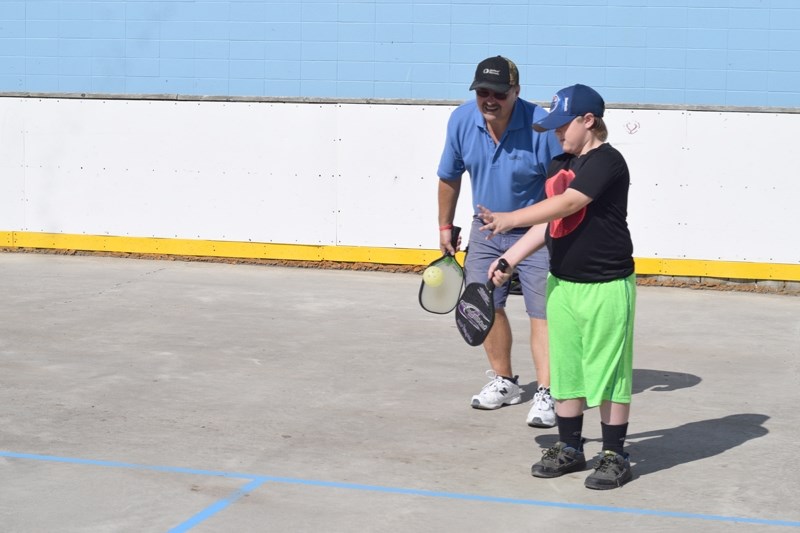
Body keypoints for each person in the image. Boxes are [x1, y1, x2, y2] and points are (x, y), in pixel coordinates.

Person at [479, 83, 636, 489]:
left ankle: (615, 454)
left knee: (608, 371)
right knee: (565, 368)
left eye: (563, 125)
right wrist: (508, 258)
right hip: (563, 283)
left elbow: (569, 204)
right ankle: (570, 448)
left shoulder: (608, 161)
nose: (557, 134)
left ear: (589, 121)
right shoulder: (560, 163)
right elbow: (551, 222)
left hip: (606, 284)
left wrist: (508, 218)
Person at [437, 56, 562, 427]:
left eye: (499, 94)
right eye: (483, 92)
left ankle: (548, 391)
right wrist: (445, 226)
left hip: (538, 231)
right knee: (482, 301)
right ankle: (505, 381)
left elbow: (563, 191)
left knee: (543, 311)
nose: (490, 99)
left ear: (516, 92)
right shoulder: (462, 120)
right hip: (486, 229)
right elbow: (448, 175)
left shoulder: (541, 126)